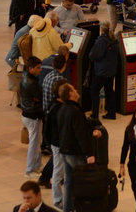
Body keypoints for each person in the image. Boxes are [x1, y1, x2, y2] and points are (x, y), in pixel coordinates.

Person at [58, 83, 102, 212]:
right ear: (70, 94)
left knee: (69, 182)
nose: (76, 90)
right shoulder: (75, 111)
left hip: (65, 150)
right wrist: (89, 154)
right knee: (84, 183)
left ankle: (67, 209)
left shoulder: (62, 109)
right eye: (73, 89)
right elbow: (80, 134)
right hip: (75, 152)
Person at [42, 77, 67, 209]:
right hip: (58, 144)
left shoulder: (53, 105)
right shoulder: (58, 108)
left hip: (56, 143)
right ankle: (58, 200)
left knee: (60, 170)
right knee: (58, 171)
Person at [88, 20, 119, 120]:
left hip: (102, 71)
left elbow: (93, 55)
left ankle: (95, 114)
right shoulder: (114, 39)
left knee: (94, 90)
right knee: (109, 90)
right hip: (111, 70)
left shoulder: (101, 40)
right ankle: (111, 113)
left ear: (101, 29)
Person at [21, 56, 45, 177]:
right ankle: (29, 170)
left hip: (28, 114)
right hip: (33, 116)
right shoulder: (32, 83)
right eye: (38, 68)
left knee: (37, 142)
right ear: (31, 68)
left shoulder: (25, 77)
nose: (40, 70)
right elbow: (39, 98)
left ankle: (36, 167)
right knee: (34, 144)